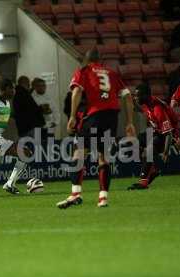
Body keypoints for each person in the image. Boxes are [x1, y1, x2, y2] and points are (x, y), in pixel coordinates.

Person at [57, 49, 136, 209]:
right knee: (104, 156)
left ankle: (75, 195)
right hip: (112, 116)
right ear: (101, 59)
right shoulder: (112, 73)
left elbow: (77, 91)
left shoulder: (84, 71)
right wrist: (129, 122)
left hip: (94, 115)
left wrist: (72, 116)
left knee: (79, 152)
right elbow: (128, 97)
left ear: (86, 59)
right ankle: (103, 198)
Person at [127, 83, 178, 190]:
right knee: (135, 143)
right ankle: (152, 170)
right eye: (135, 96)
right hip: (157, 131)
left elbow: (168, 133)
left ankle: (143, 183)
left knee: (149, 150)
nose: (136, 98)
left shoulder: (157, 109)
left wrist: (165, 152)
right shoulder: (146, 104)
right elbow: (139, 109)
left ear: (146, 96)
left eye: (138, 96)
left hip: (168, 135)